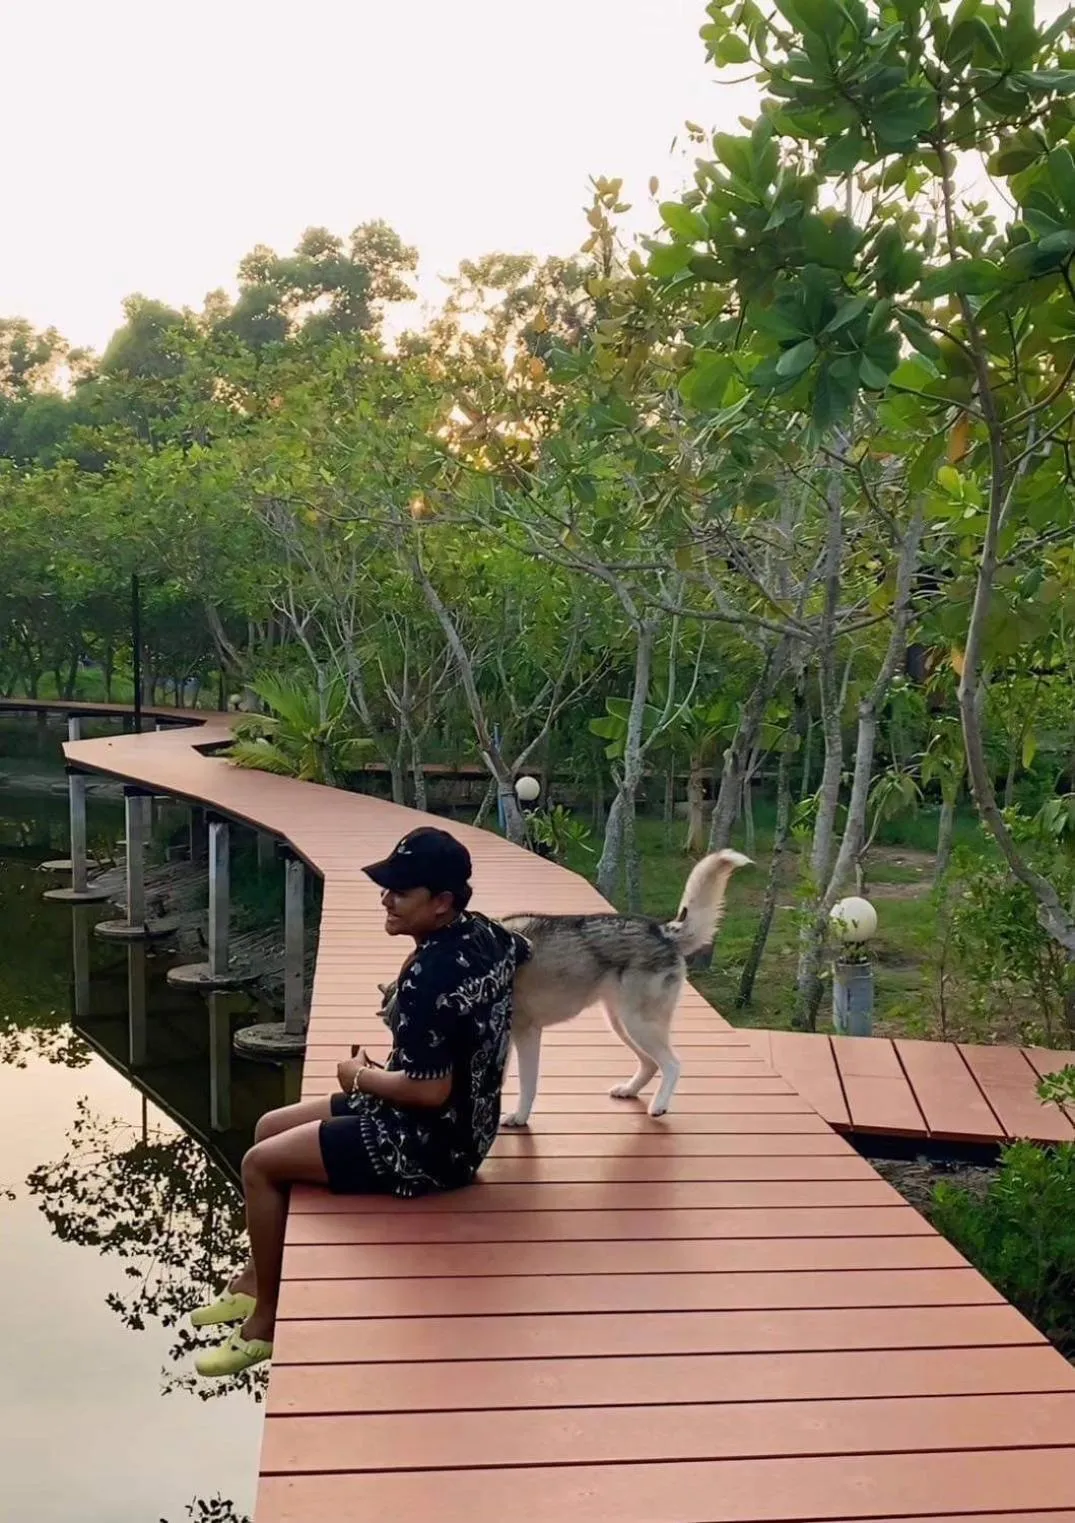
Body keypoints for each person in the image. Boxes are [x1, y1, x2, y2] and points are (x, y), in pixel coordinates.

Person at [190, 826, 531, 1376]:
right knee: (268, 1127)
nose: (385, 900)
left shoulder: (429, 977)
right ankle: (254, 1281)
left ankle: (267, 1324)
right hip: (470, 1124)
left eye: (401, 892)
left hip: (430, 1146)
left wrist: (359, 1077)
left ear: (442, 902)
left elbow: (427, 1091)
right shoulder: (488, 934)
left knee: (260, 1165)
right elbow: (526, 949)